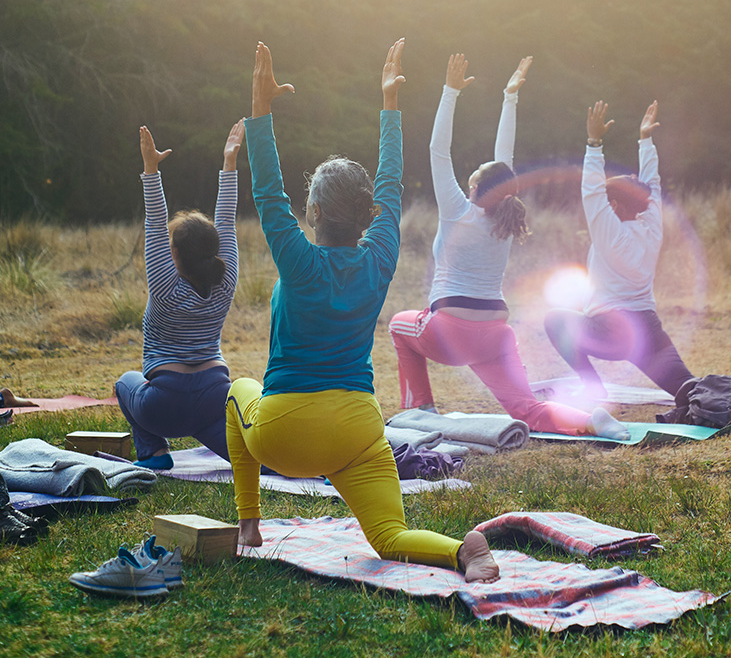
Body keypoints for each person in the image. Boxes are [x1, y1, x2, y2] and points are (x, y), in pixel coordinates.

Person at [226, 40, 498, 583]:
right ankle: (461, 551)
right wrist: (390, 109)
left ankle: (249, 523)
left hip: (286, 434)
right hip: (357, 429)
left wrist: (261, 112)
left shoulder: (298, 260)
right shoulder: (379, 259)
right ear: (368, 213)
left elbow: (267, 192)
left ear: (316, 212)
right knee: (388, 537)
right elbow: (392, 188)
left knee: (237, 388)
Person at [388, 54, 628, 440]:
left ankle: (421, 410)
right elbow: (505, 161)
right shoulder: (504, 218)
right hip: (496, 333)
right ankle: (592, 420)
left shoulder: (458, 211)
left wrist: (450, 91)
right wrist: (510, 97)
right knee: (526, 408)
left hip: (449, 331)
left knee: (399, 325)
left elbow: (438, 150)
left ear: (473, 188)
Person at [544, 100, 696, 406]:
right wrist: (645, 141)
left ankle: (592, 387)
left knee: (554, 320)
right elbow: (652, 183)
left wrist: (594, 143)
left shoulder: (608, 233)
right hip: (648, 333)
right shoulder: (652, 227)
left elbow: (591, 192)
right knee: (693, 393)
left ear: (613, 206)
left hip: (609, 333)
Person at [113, 120, 244, 470]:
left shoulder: (164, 286)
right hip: (215, 398)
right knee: (254, 458)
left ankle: (155, 453)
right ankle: (306, 463)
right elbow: (227, 221)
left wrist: (151, 169)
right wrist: (229, 163)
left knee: (125, 382)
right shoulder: (226, 280)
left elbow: (155, 222)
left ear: (173, 255)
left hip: (164, 406)